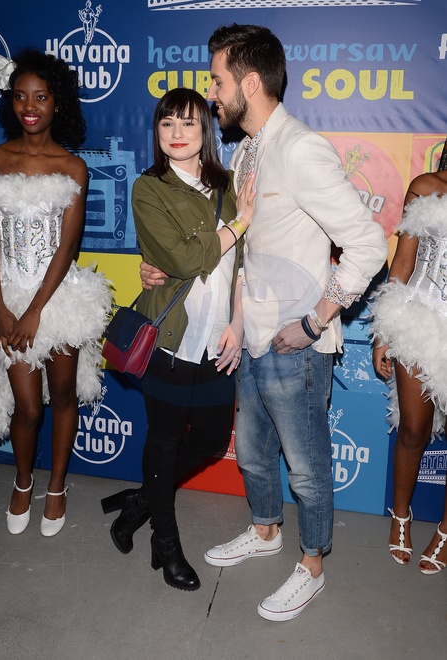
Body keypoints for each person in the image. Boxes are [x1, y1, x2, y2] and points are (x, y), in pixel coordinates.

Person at [140, 24, 388, 620]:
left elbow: (369, 245)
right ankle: (266, 529)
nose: (211, 94)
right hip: (250, 336)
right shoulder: (247, 151)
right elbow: (236, 248)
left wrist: (316, 320)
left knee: (307, 466)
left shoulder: (300, 148)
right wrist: (170, 273)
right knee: (251, 454)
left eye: (217, 81)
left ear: (249, 82)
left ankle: (313, 564)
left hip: (295, 343)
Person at [101, 87, 255, 591]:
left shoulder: (227, 184)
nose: (177, 133)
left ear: (205, 130)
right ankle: (165, 543)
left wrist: (238, 322)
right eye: (167, 123)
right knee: (165, 442)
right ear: (157, 132)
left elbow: (242, 265)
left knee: (209, 440)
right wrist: (240, 223)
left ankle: (140, 503)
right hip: (169, 340)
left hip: (219, 340)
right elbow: (186, 260)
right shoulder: (150, 188)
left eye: (189, 122)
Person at [0, 49, 111, 537]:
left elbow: (67, 247)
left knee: (62, 395)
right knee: (28, 406)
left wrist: (35, 311)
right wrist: (2, 308)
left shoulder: (73, 167)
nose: (30, 106)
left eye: (40, 97)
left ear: (57, 103)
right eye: (21, 96)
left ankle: (58, 485)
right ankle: (23, 481)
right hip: (6, 299)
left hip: (59, 298)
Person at [372, 156, 447, 575]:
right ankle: (401, 515)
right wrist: (382, 333)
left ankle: (446, 532)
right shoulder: (425, 184)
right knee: (414, 429)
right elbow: (402, 264)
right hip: (418, 320)